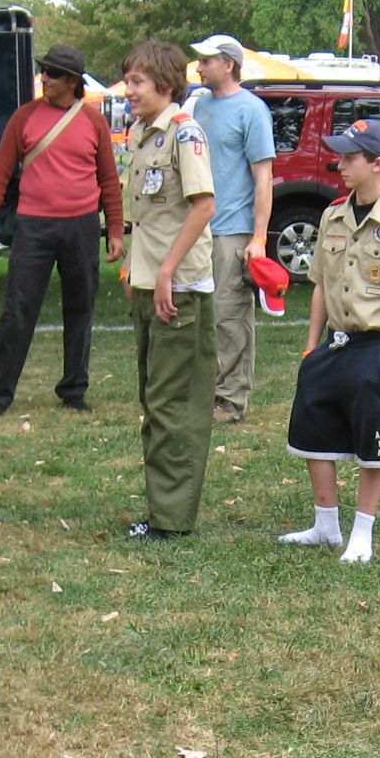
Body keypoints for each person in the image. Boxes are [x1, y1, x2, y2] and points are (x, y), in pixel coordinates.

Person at [278, 118, 380, 564]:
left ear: (378, 164)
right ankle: (326, 525)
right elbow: (323, 284)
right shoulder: (333, 215)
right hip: (334, 342)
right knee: (311, 429)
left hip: (376, 346)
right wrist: (311, 346)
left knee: (373, 442)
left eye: (350, 157)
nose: (339, 163)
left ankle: (362, 532)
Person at [0, 43, 124, 417]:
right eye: (44, 70)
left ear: (73, 81)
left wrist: (117, 231)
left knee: (81, 309)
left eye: (54, 73)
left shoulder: (93, 121)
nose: (45, 78)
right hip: (33, 227)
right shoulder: (24, 117)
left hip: (82, 226)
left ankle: (74, 390)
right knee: (17, 310)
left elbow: (109, 180)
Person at [120, 39, 217, 541]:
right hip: (151, 285)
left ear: (164, 83)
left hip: (179, 288)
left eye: (137, 81)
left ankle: (172, 520)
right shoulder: (143, 134)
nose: (129, 90)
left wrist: (166, 271)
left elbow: (203, 206)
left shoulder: (184, 133)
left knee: (173, 404)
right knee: (153, 399)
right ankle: (163, 510)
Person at [189, 35, 275, 425]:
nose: (199, 67)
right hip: (201, 229)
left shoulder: (252, 110)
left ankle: (231, 400)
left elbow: (264, 178)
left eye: (206, 60)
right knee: (205, 316)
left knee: (230, 315)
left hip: (233, 231)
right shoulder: (201, 104)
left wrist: (257, 238)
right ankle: (209, 391)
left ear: (228, 64)